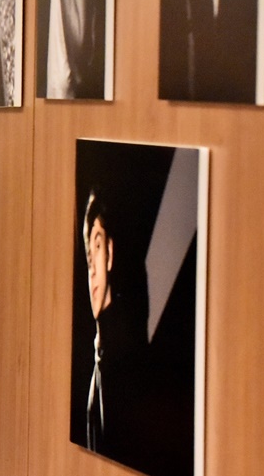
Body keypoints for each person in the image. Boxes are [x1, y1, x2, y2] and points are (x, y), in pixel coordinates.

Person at [80, 191, 150, 464]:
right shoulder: (99, 355)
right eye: (88, 259)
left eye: (97, 247)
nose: (93, 271)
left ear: (109, 253)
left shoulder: (127, 355)